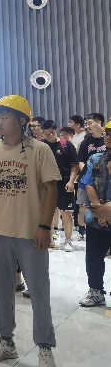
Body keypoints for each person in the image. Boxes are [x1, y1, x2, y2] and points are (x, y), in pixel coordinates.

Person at [0, 95, 60, 367]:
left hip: (30, 232)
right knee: (3, 290)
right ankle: (6, 341)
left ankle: (45, 347)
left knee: (38, 291)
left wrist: (45, 226)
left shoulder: (40, 150)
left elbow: (51, 189)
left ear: (21, 120)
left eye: (4, 117)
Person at [76, 123, 111, 307]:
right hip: (97, 219)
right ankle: (96, 291)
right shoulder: (95, 158)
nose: (109, 136)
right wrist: (100, 211)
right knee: (93, 257)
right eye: (108, 133)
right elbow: (87, 183)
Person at [41, 120, 79, 252]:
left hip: (64, 182)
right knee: (48, 213)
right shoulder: (41, 145)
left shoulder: (66, 145)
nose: (48, 136)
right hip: (47, 183)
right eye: (45, 133)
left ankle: (68, 241)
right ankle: (49, 239)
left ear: (56, 131)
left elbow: (74, 166)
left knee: (66, 212)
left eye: (50, 133)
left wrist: (71, 181)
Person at [77, 113, 106, 241]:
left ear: (99, 123)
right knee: (86, 206)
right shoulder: (86, 142)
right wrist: (88, 173)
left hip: (104, 179)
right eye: (86, 124)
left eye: (90, 123)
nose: (87, 126)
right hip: (88, 179)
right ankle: (84, 231)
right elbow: (81, 160)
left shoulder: (107, 139)